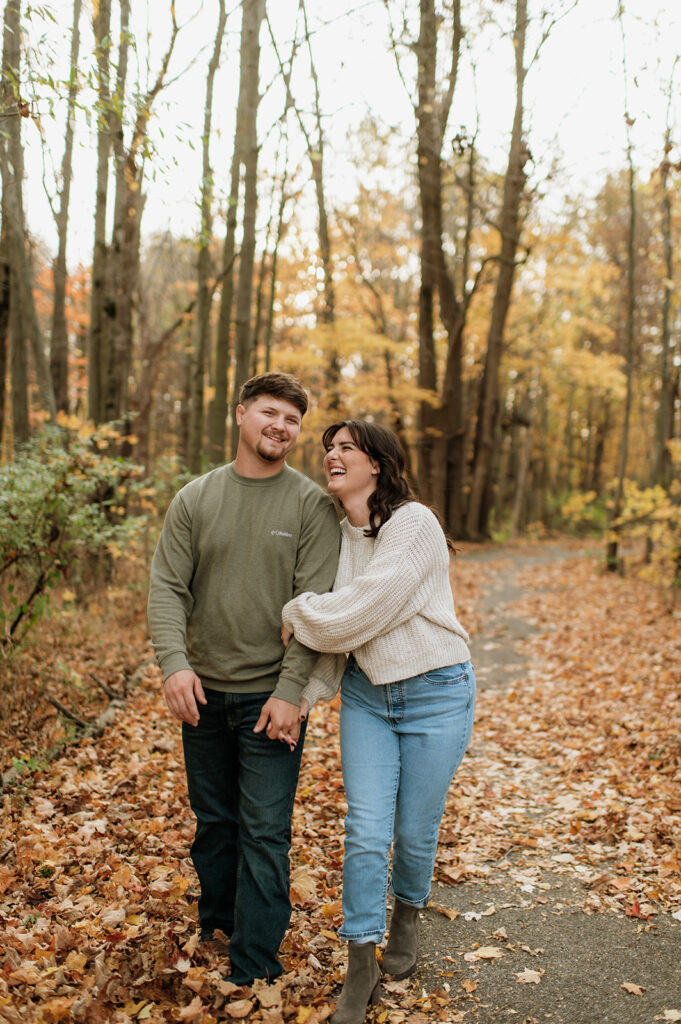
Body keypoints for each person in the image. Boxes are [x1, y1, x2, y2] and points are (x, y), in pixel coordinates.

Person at [147, 372, 341, 986]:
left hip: (268, 700)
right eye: (269, 413)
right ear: (240, 415)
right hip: (203, 694)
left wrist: (290, 695)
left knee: (263, 830)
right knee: (215, 824)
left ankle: (252, 966)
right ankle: (218, 923)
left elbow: (314, 609)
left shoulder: (311, 505)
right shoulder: (196, 498)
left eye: (291, 419)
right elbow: (167, 589)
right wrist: (174, 664)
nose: (279, 426)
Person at [281, 421, 475, 1024]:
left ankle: (407, 915)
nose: (331, 456)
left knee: (414, 833)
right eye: (328, 448)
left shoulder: (414, 524)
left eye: (346, 448)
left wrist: (297, 610)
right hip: (367, 698)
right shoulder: (338, 535)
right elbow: (343, 637)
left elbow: (364, 609)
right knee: (366, 829)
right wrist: (305, 697)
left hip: (437, 693)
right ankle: (360, 961)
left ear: (378, 463)